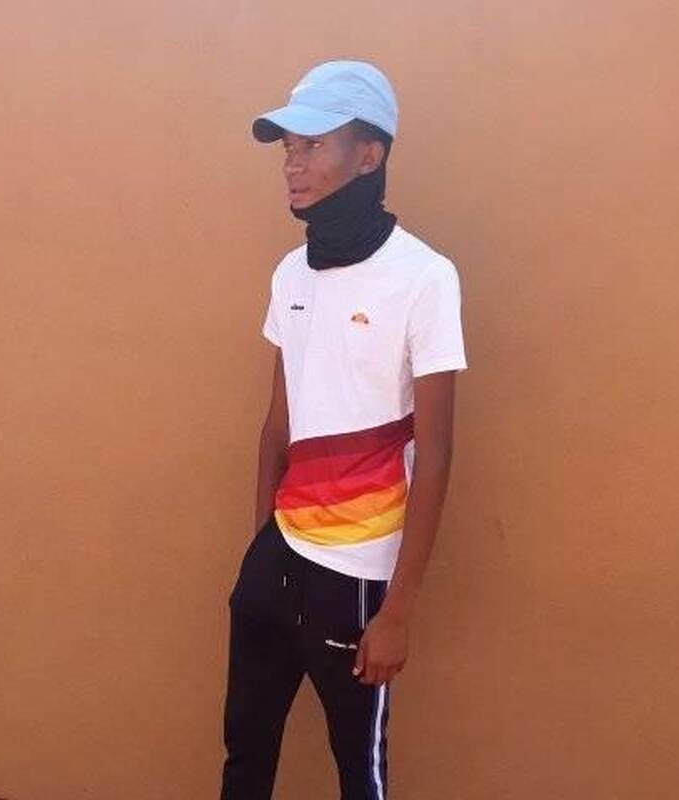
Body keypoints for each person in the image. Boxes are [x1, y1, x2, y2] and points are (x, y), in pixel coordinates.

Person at [220, 59, 467, 800]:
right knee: (244, 760)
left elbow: (437, 454)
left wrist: (398, 612)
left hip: (359, 578)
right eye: (287, 148)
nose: (292, 164)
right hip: (277, 559)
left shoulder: (424, 277)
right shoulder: (290, 273)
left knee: (360, 775)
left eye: (313, 145)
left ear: (369, 155)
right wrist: (262, 547)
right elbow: (278, 423)